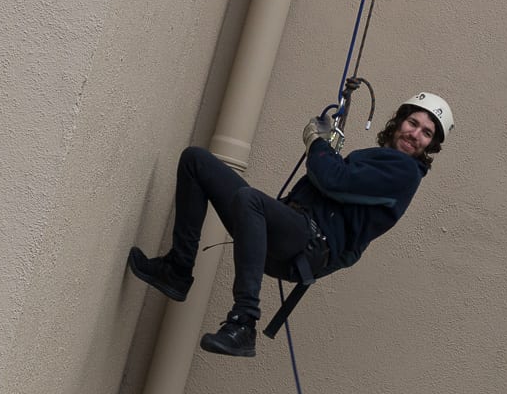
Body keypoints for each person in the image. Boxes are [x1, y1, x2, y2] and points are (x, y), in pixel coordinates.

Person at [127, 92, 454, 357]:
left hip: (308, 243)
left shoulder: (404, 172)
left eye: (426, 132)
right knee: (196, 161)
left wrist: (317, 143)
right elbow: (338, 183)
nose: (415, 133)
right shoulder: (378, 161)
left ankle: (244, 323)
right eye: (413, 122)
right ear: (399, 122)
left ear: (430, 146)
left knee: (249, 199)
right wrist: (327, 151)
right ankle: (177, 269)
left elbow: (332, 180)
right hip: (292, 231)